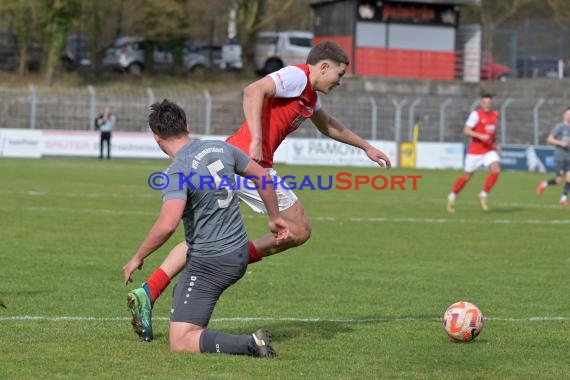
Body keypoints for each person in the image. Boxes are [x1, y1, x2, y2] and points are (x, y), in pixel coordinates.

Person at [123, 41, 392, 342]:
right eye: (340, 74)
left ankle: (150, 290)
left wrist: (366, 147)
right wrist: (256, 139)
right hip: (248, 162)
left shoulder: (309, 95)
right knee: (299, 229)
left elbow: (327, 125)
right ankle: (218, 263)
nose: (341, 81)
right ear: (324, 66)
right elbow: (253, 90)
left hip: (238, 162)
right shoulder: (297, 76)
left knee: (203, 238)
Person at [123, 99, 289, 356]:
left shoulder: (177, 172)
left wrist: (138, 256)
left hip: (211, 261)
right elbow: (262, 175)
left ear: (156, 138)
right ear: (187, 126)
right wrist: (274, 217)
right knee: (184, 290)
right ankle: (181, 303)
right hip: (239, 252)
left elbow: (167, 225)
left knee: (180, 342)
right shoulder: (221, 148)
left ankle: (250, 345)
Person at [446, 94, 501, 213]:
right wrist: (480, 135)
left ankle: (483, 194)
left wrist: (495, 145)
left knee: (496, 170)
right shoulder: (476, 114)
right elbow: (466, 130)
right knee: (466, 176)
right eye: (485, 102)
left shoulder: (495, 115)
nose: (487, 105)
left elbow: (493, 133)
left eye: (489, 103)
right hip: (475, 151)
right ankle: (452, 196)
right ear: (481, 103)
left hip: (488, 150)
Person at [535, 107, 570, 206]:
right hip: (560, 157)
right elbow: (549, 139)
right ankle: (544, 184)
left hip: (569, 157)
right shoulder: (559, 127)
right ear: (564, 115)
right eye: (568, 114)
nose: (569, 116)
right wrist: (560, 143)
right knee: (559, 180)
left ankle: (563, 198)